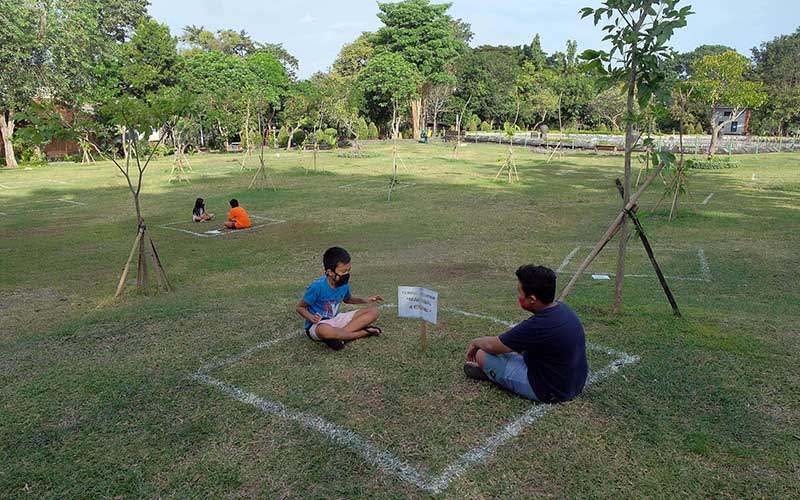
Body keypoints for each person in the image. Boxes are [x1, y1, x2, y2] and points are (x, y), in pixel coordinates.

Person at [463, 265, 588, 403]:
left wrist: (475, 342)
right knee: (512, 350)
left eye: (520, 292)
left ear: (532, 299)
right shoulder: (563, 309)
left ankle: (492, 374)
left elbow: (493, 346)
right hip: (575, 382)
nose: (518, 296)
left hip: (550, 390)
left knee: (482, 354)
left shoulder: (537, 325)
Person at [296, 246, 384, 351]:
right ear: (330, 272)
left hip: (336, 319)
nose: (346, 274)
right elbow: (300, 307)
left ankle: (340, 337)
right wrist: (311, 317)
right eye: (343, 271)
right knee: (324, 331)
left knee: (373, 312)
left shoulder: (343, 284)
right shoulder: (317, 287)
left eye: (348, 270)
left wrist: (366, 300)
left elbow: (347, 299)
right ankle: (363, 333)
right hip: (318, 325)